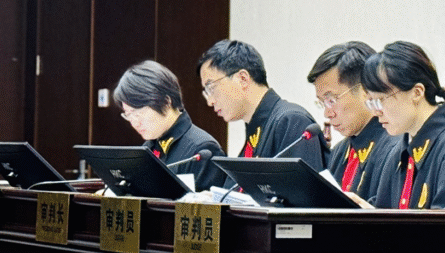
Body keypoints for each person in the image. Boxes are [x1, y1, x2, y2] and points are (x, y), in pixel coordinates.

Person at [363, 41, 445, 209]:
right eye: (371, 103)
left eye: (380, 100)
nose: (376, 112)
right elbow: (385, 211)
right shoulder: (401, 149)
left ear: (417, 92)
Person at [198, 40, 328, 178]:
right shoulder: (255, 130)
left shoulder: (292, 121)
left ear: (242, 78)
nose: (210, 102)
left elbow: (301, 189)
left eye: (211, 88)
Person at [308, 41, 399, 204]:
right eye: (322, 103)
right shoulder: (340, 151)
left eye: (331, 100)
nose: (327, 113)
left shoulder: (395, 148)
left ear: (365, 90)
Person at [113, 60, 226, 191]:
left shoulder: (203, 149)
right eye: (128, 115)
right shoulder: (148, 148)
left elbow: (206, 203)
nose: (135, 122)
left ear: (166, 102)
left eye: (139, 113)